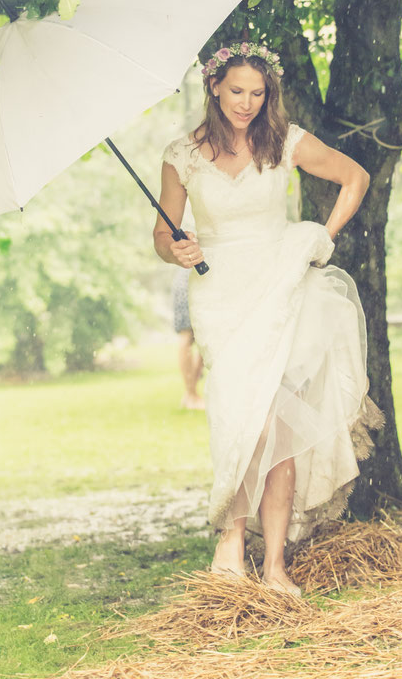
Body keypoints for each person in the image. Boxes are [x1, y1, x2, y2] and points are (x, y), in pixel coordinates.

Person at [153, 41, 383, 597]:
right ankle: (232, 542)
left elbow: (356, 178)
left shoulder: (286, 142)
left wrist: (322, 238)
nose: (247, 103)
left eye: (258, 93)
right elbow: (163, 233)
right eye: (237, 91)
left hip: (281, 285)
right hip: (219, 293)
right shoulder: (180, 155)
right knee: (240, 415)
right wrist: (175, 248)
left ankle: (275, 565)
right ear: (213, 88)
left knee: (277, 424)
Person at [172, 267, 205, 410]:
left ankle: (191, 394)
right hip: (190, 278)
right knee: (186, 335)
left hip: (202, 278)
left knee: (203, 339)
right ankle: (191, 395)